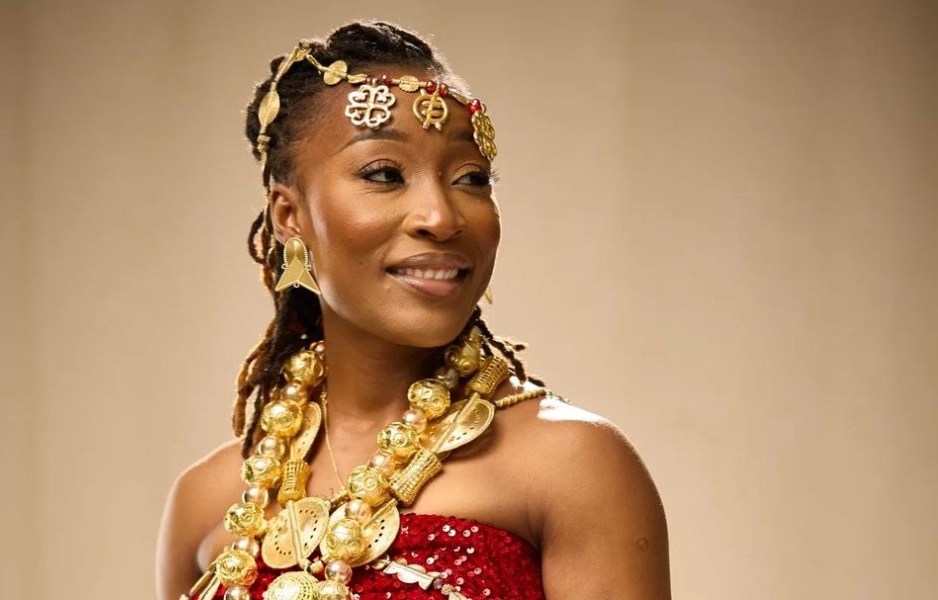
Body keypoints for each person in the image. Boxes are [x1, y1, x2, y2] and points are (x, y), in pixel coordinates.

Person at [156, 21, 670, 600]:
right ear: (288, 216)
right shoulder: (207, 501)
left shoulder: (572, 466)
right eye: (385, 174)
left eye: (471, 178)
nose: (441, 217)